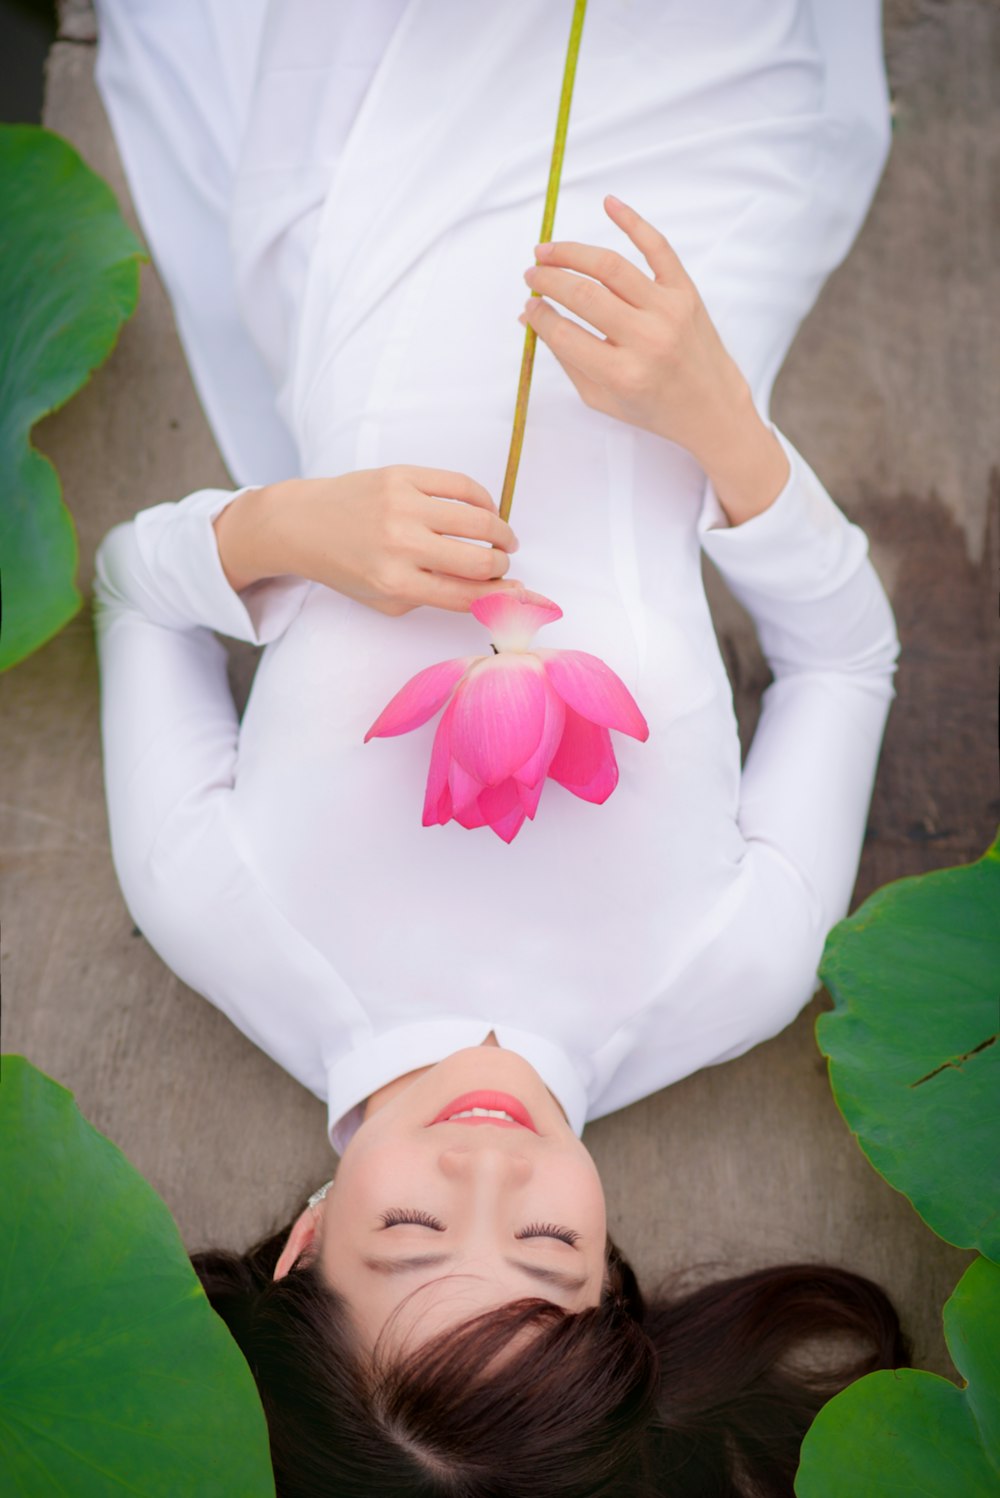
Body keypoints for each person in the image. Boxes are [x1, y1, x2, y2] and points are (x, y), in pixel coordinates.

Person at [92, 0, 906, 1492]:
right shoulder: (727, 967)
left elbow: (136, 594)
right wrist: (725, 430)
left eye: (412, 1233)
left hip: (369, 218)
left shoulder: (223, 910)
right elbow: (848, 658)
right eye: (549, 1242)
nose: (490, 1165)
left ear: (303, 1246)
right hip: (686, 262)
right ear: (612, 1280)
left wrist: (283, 528)